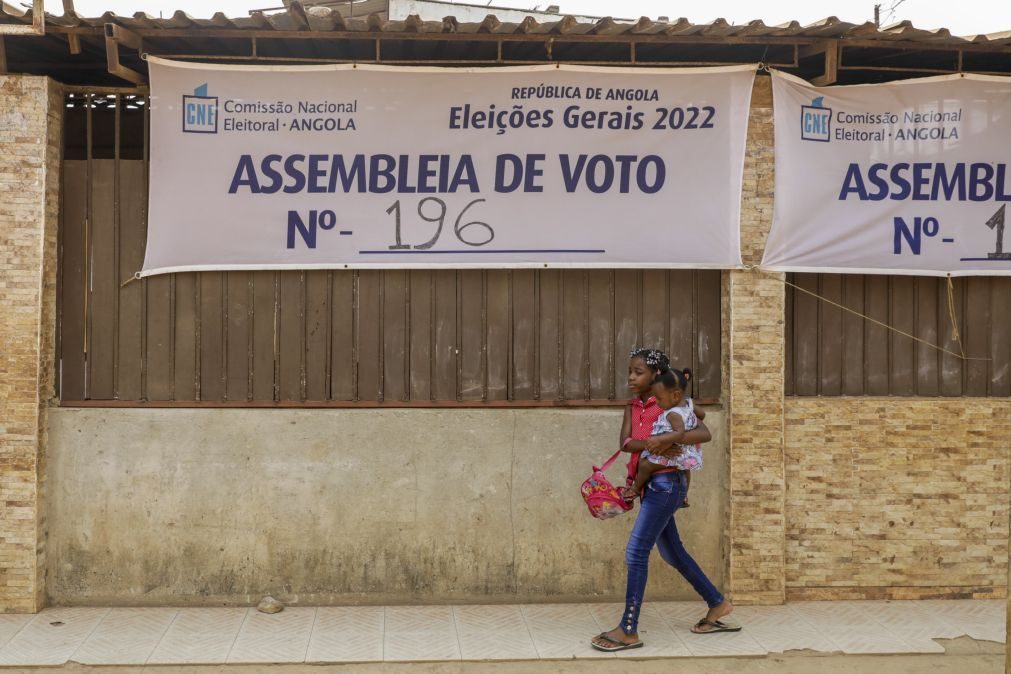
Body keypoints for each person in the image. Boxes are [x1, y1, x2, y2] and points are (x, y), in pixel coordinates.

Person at [590, 348, 737, 653]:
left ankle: (629, 630)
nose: (631, 377)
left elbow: (704, 432)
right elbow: (627, 443)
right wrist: (654, 444)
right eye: (630, 371)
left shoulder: (669, 402)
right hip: (650, 485)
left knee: (636, 552)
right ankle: (717, 604)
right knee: (672, 553)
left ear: (656, 376)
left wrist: (673, 439)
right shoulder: (632, 406)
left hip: (667, 483)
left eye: (638, 372)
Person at [621, 367, 705, 502]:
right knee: (685, 469)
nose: (658, 403)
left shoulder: (672, 412)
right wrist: (691, 416)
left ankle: (635, 489)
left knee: (644, 465)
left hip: (673, 454)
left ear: (675, 395)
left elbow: (680, 433)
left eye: (659, 399)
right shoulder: (688, 404)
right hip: (684, 452)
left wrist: (660, 440)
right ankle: (684, 496)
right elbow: (702, 415)